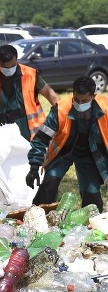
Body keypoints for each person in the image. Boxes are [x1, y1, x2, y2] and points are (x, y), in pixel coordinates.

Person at [26, 76, 108, 212]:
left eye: (84, 101)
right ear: (72, 94)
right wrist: (34, 167)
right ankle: (38, 218)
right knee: (49, 185)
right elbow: (41, 139)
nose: (80, 104)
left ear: (93, 96)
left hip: (91, 156)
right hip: (63, 153)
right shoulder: (60, 110)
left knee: (92, 199)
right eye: (76, 99)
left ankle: (90, 227)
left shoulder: (105, 110)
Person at [0, 43, 59, 141]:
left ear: (16, 59)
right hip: (1, 133)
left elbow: (50, 94)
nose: (10, 69)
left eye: (13, 65)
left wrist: (60, 112)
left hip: (32, 133)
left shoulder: (30, 74)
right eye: (6, 67)